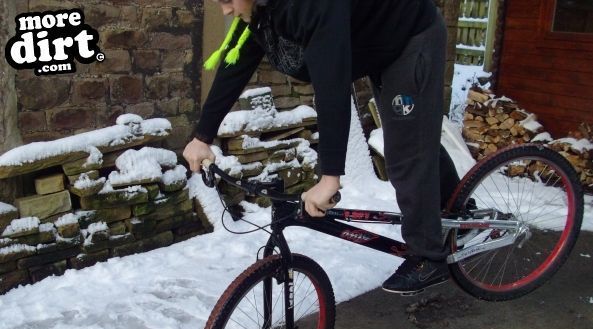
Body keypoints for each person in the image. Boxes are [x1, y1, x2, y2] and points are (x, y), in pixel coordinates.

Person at [183, 0, 461, 295]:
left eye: (228, 0)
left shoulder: (311, 6)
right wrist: (203, 137)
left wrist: (330, 177)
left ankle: (429, 257)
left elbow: (332, 88)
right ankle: (457, 206)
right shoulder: (261, 9)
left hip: (410, 36)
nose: (226, 10)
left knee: (405, 154)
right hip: (376, 43)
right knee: (410, 139)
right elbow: (236, 63)